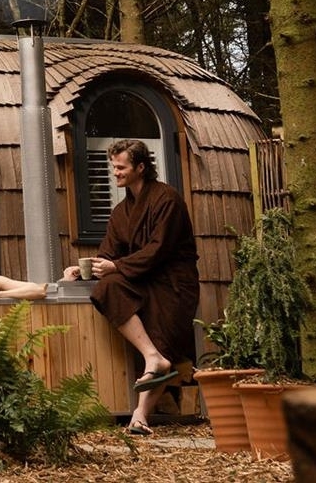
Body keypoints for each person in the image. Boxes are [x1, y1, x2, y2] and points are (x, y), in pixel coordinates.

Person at [63, 138, 199, 436]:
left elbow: (159, 249)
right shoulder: (122, 211)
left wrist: (117, 266)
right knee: (106, 288)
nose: (115, 173)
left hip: (173, 283)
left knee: (163, 339)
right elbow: (108, 253)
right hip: (141, 279)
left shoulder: (167, 199)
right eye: (113, 167)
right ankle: (152, 356)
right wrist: (84, 269)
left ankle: (140, 414)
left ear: (140, 167)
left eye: (121, 167)